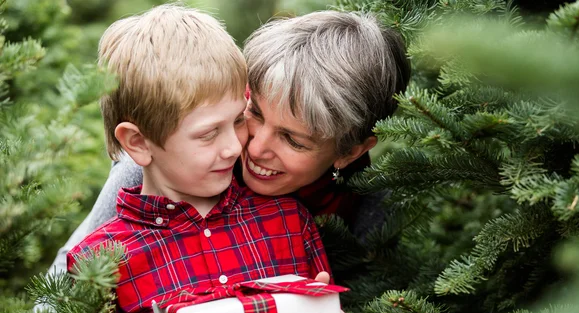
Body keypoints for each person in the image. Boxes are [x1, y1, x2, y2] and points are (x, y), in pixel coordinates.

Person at [66, 5, 333, 313]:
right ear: (138, 143)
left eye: (239, 119)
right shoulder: (102, 263)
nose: (235, 146)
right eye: (208, 134)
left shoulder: (288, 220)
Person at [48, 9, 411, 280]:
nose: (252, 149)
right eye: (252, 112)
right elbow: (70, 280)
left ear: (350, 152)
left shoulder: (367, 206)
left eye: (293, 140)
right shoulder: (161, 162)